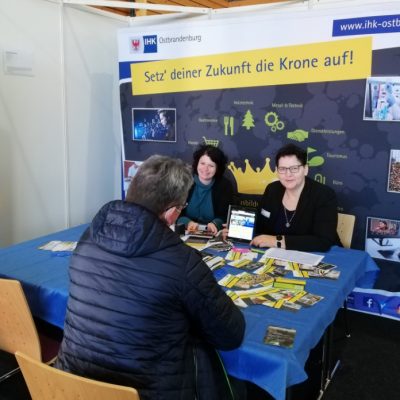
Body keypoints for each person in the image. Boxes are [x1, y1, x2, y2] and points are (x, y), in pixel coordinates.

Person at [55, 155, 245, 400]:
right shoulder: (183, 261)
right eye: (181, 208)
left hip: (70, 387)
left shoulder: (88, 238)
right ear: (170, 213)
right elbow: (230, 334)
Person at [251, 143, 341, 252]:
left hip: (320, 257)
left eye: (294, 168)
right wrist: (238, 230)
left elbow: (323, 241)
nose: (288, 174)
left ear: (305, 169)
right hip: (276, 255)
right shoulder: (272, 189)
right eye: (282, 169)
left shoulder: (324, 195)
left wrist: (276, 241)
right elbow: (259, 226)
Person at [177, 144, 234, 235]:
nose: (205, 169)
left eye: (211, 165)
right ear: (197, 163)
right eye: (202, 163)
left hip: (213, 235)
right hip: (185, 233)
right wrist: (188, 223)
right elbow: (174, 211)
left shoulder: (225, 186)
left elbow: (225, 215)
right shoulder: (184, 181)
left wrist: (215, 224)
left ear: (217, 168)